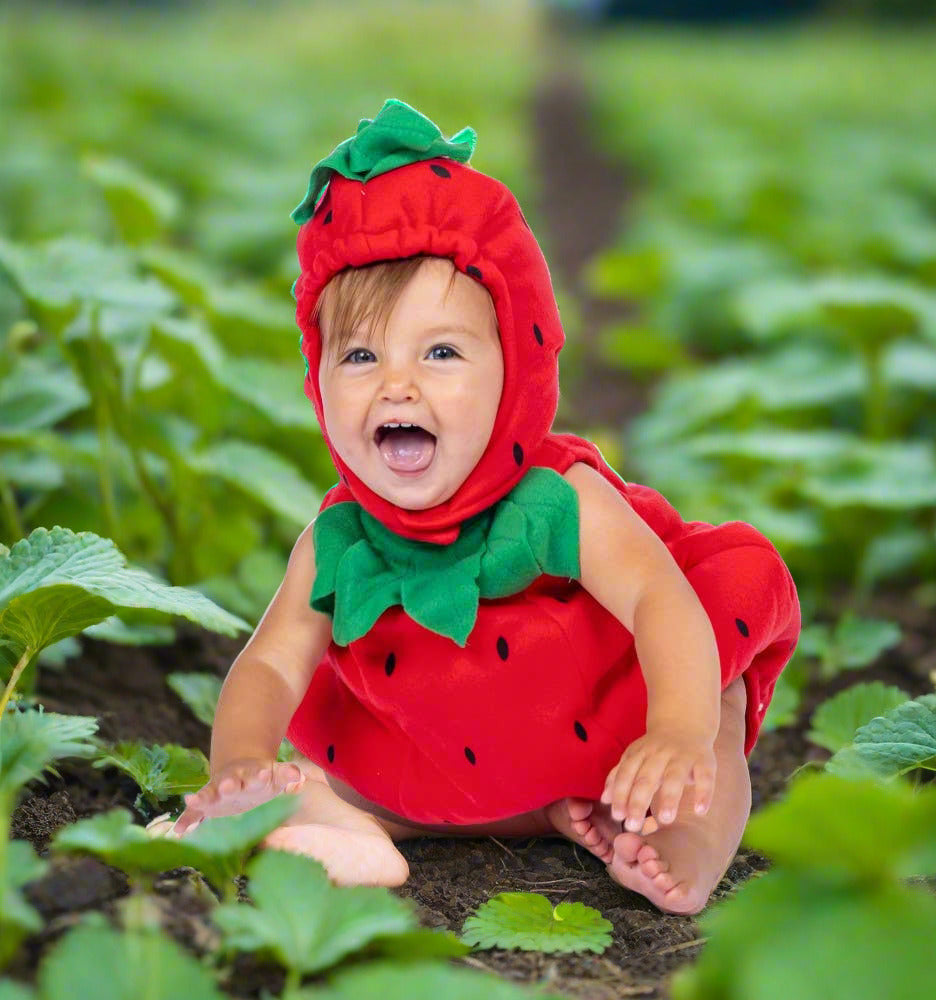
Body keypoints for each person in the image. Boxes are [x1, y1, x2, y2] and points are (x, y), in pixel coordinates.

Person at [174, 99, 800, 914]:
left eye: (440, 352)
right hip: (431, 770)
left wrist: (675, 729)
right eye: (360, 356)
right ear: (318, 380)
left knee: (708, 687)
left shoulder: (558, 500)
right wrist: (241, 758)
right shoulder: (338, 538)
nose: (396, 384)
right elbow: (268, 663)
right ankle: (347, 826)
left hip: (605, 729)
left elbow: (659, 599)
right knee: (337, 767)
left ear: (518, 365)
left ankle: (687, 835)